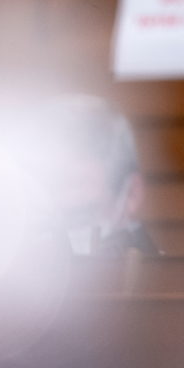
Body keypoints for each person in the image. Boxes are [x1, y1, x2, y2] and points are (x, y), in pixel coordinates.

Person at [31, 95, 159, 257]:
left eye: (79, 217)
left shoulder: (162, 272)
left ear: (132, 194)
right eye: (46, 222)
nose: (59, 235)